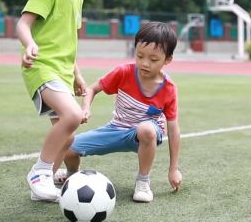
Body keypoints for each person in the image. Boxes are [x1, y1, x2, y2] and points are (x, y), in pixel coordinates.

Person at [16, 0, 105, 202]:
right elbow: (23, 23)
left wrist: (78, 75)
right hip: (42, 67)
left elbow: (68, 43)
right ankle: (40, 172)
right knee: (73, 116)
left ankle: (40, 188)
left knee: (68, 137)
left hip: (64, 73)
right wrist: (29, 43)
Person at [61, 21, 182, 203]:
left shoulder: (169, 88)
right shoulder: (123, 72)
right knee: (68, 149)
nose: (145, 63)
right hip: (117, 128)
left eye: (153, 59)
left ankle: (143, 182)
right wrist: (85, 108)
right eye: (140, 56)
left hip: (144, 134)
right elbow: (92, 89)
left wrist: (173, 168)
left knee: (146, 129)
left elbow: (173, 129)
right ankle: (71, 176)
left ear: (168, 60)